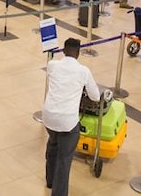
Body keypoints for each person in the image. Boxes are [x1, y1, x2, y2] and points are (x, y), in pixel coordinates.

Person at [42, 37, 100, 196]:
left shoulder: (52, 65)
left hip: (48, 117)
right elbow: (95, 96)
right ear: (78, 53)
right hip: (67, 121)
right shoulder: (83, 71)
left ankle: (50, 180)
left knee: (53, 142)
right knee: (64, 158)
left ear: (63, 50)